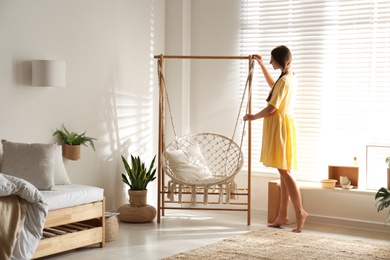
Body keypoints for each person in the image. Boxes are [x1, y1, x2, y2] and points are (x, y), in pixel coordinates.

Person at [243, 45, 308, 233]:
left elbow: (272, 108)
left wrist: (253, 117)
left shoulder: (286, 81)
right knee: (283, 172)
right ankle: (283, 215)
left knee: (285, 172)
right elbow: (274, 87)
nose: (271, 62)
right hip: (283, 125)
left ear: (279, 60)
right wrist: (262, 65)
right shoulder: (288, 77)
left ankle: (300, 212)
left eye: (271, 59)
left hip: (280, 127)